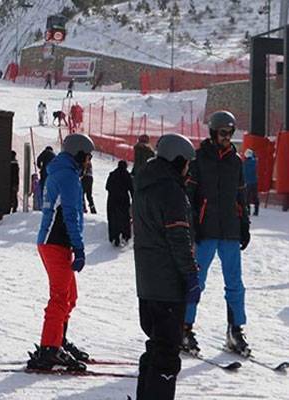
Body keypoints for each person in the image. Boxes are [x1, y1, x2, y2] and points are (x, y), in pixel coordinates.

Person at [133, 133, 199, 400]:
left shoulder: (146, 184)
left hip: (147, 284)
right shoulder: (170, 191)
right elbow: (178, 239)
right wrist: (191, 276)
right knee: (166, 354)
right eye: (187, 164)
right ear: (177, 160)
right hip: (167, 285)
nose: (188, 170)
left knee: (155, 347)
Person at [182, 111, 252, 356]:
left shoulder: (235, 161)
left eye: (231, 133)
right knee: (196, 282)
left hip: (230, 231)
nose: (227, 137)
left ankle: (235, 330)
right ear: (213, 132)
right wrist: (193, 227)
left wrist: (244, 225)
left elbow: (240, 196)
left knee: (235, 283)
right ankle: (185, 327)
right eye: (223, 132)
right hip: (205, 231)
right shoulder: (199, 158)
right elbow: (188, 197)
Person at [27, 134, 95, 372]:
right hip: (56, 242)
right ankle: (50, 348)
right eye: (87, 157)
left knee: (70, 296)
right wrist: (79, 246)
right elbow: (69, 215)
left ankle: (58, 340)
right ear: (78, 154)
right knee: (60, 297)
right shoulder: (68, 177)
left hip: (54, 242)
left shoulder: (63, 173)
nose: (88, 162)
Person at [106, 160, 134, 247]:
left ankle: (115, 236)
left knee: (113, 218)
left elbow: (107, 187)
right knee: (125, 218)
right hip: (123, 200)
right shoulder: (127, 175)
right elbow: (132, 189)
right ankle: (125, 236)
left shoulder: (112, 174)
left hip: (112, 200)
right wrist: (134, 200)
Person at [242, 149, 259, 216]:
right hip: (254, 182)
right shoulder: (254, 162)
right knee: (255, 197)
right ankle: (256, 211)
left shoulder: (244, 163)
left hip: (247, 182)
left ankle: (248, 211)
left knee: (247, 197)